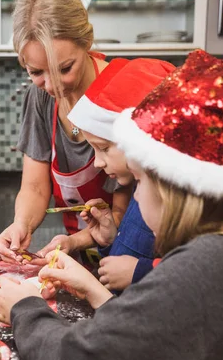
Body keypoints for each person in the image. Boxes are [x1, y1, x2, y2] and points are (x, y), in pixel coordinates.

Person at [0, 50, 223, 360]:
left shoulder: (203, 266)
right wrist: (95, 291)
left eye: (140, 180)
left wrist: (25, 307)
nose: (136, 196)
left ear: (174, 187)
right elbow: (154, 333)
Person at [0, 0, 131, 263]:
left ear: (87, 43)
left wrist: (75, 241)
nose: (53, 85)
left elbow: (125, 212)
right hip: (76, 255)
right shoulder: (39, 97)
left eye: (65, 68)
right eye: (36, 72)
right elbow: (34, 186)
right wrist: (21, 224)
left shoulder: (122, 92)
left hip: (126, 258)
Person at [65, 57, 175, 292]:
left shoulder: (165, 200)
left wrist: (140, 272)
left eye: (103, 148)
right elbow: (132, 258)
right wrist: (110, 240)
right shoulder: (141, 188)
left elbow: (192, 276)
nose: (97, 163)